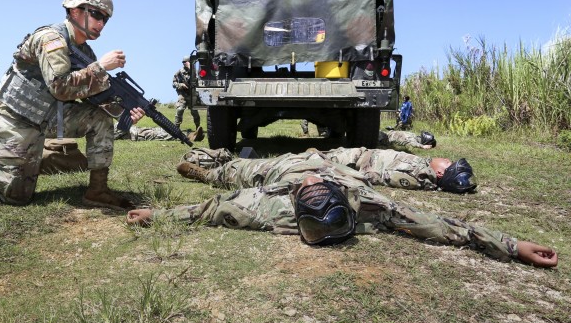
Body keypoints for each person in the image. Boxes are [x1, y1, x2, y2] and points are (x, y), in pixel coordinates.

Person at [0, 0, 146, 210]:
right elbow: (61, 87)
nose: (101, 23)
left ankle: (98, 191)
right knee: (14, 196)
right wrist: (101, 67)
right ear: (75, 11)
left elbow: (94, 98)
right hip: (16, 118)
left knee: (99, 118)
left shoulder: (85, 52)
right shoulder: (51, 39)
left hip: (48, 116)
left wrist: (124, 113)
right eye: (96, 14)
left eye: (105, 19)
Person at [127, 174, 557, 268]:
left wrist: (156, 215)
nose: (312, 184)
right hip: (342, 164)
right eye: (318, 191)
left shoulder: (263, 207)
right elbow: (440, 225)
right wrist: (512, 245)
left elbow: (208, 208)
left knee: (229, 169)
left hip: (276, 170)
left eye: (310, 193)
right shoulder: (365, 201)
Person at [177, 146, 477, 193]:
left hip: (338, 163)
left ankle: (209, 170)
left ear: (440, 174)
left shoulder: (415, 175)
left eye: (448, 165)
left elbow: (371, 176)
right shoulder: (423, 164)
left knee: (259, 168)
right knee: (277, 161)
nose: (445, 160)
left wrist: (328, 165)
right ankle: (219, 161)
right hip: (347, 155)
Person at [172, 57, 200, 130]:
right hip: (183, 95)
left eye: (186, 62)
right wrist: (181, 85)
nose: (184, 63)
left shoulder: (194, 71)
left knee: (194, 112)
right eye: (183, 62)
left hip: (192, 95)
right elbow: (173, 83)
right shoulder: (179, 72)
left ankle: (198, 127)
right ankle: (176, 128)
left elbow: (198, 79)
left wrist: (191, 68)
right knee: (180, 110)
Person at [114, 123, 204, 142]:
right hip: (137, 135)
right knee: (161, 134)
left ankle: (190, 134)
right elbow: (117, 132)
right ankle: (189, 137)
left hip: (137, 130)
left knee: (162, 130)